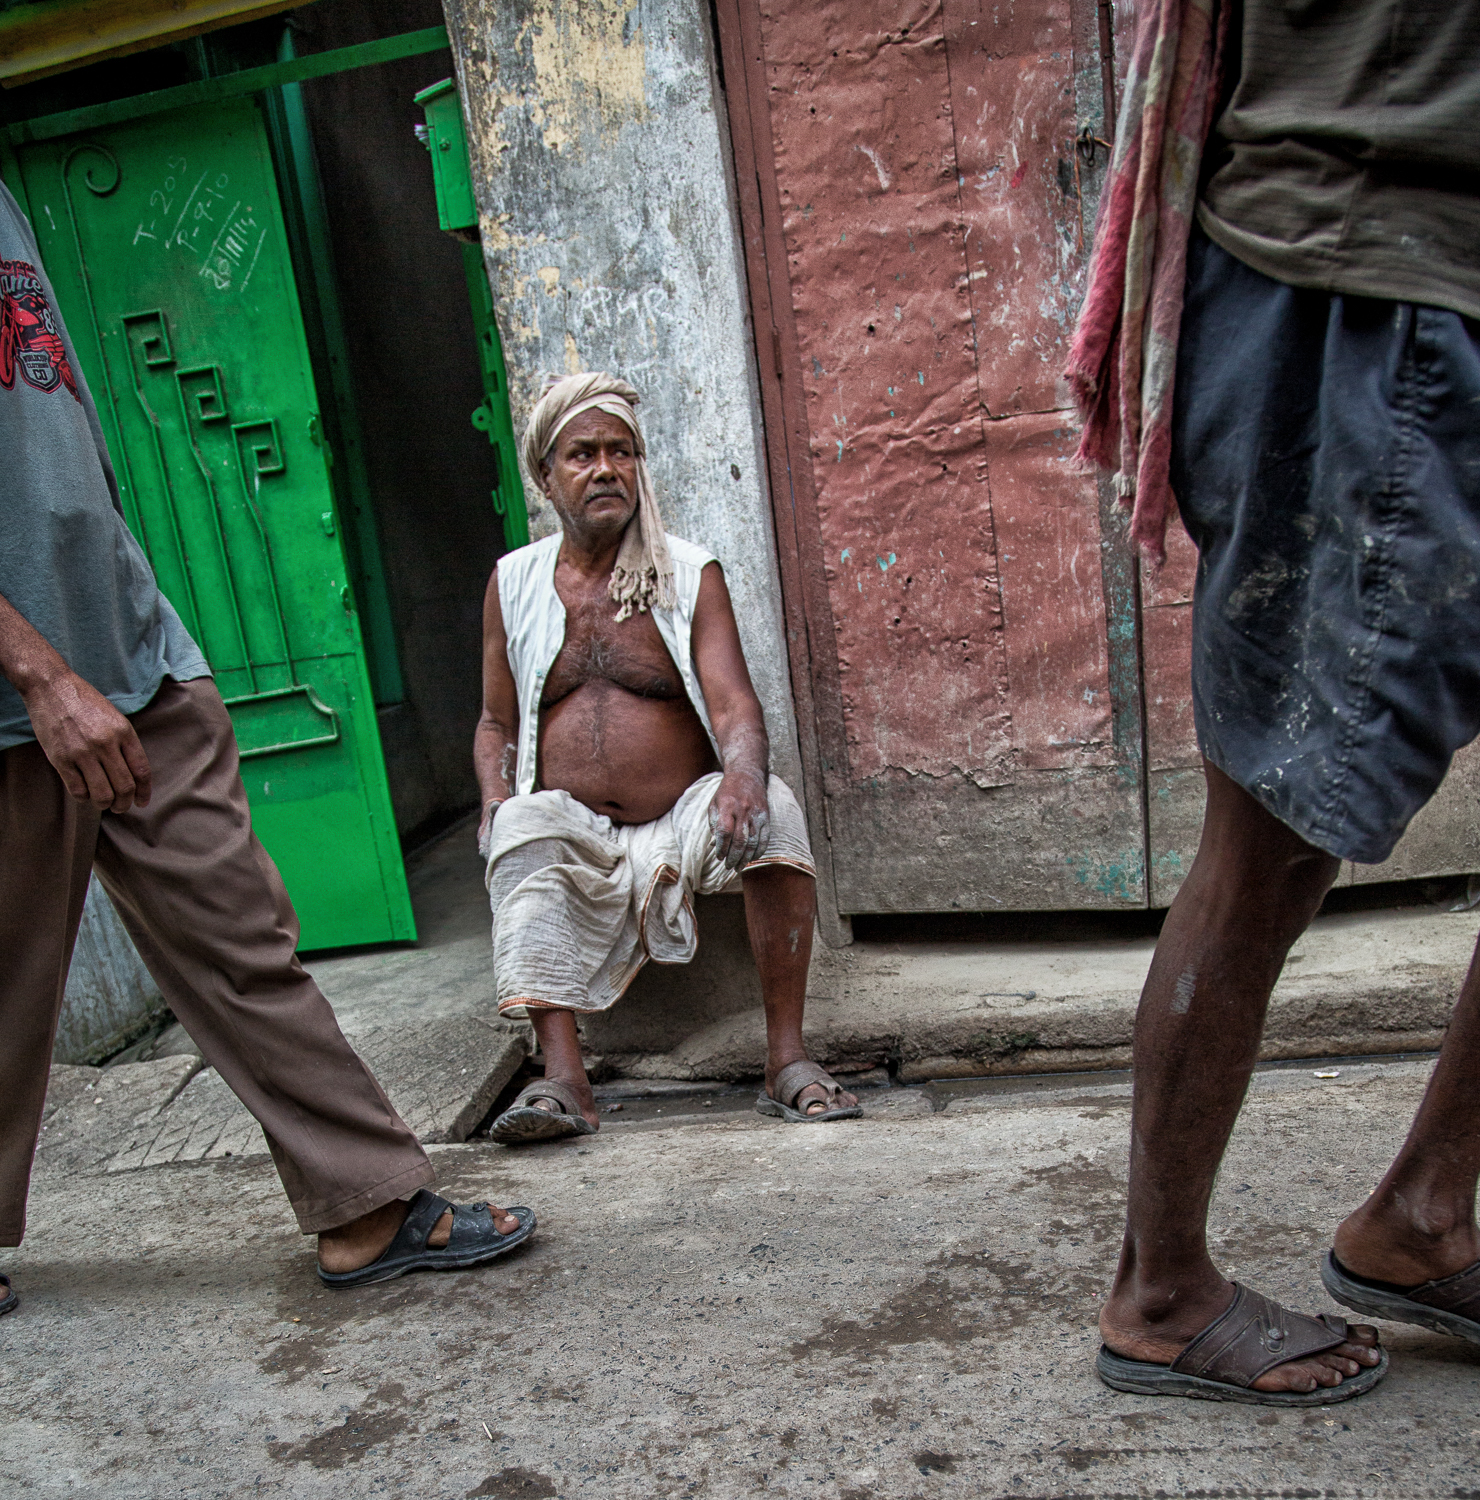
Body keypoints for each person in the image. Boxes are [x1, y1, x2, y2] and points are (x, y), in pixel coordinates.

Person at [0, 180, 534, 1312]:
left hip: (134, 664)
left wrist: (150, 633)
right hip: (21, 698)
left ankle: (365, 1205)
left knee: (243, 940)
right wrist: (40, 674)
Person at [1083, 0, 1480, 1404]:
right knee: (1276, 826)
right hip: (1385, 284)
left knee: (1280, 820)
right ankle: (1159, 1289)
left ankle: (1422, 1215)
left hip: (1437, 277)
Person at [477, 372, 860, 1141]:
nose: (606, 468)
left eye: (622, 451)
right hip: (572, 823)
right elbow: (494, 722)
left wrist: (744, 777)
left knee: (777, 814)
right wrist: (493, 802)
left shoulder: (687, 572)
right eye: (582, 454)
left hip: (684, 813)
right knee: (518, 829)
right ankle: (564, 1084)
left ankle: (785, 1061)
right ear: (545, 475)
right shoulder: (513, 583)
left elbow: (734, 705)